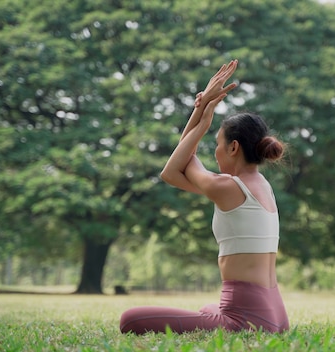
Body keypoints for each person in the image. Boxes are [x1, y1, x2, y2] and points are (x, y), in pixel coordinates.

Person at [119, 60, 289, 334]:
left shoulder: (226, 187)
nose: (215, 152)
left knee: (130, 319)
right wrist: (200, 109)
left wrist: (201, 119)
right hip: (275, 316)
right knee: (209, 309)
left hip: (247, 320)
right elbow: (179, 168)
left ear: (233, 147)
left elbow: (172, 169)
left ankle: (230, 323)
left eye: (217, 144)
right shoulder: (260, 186)